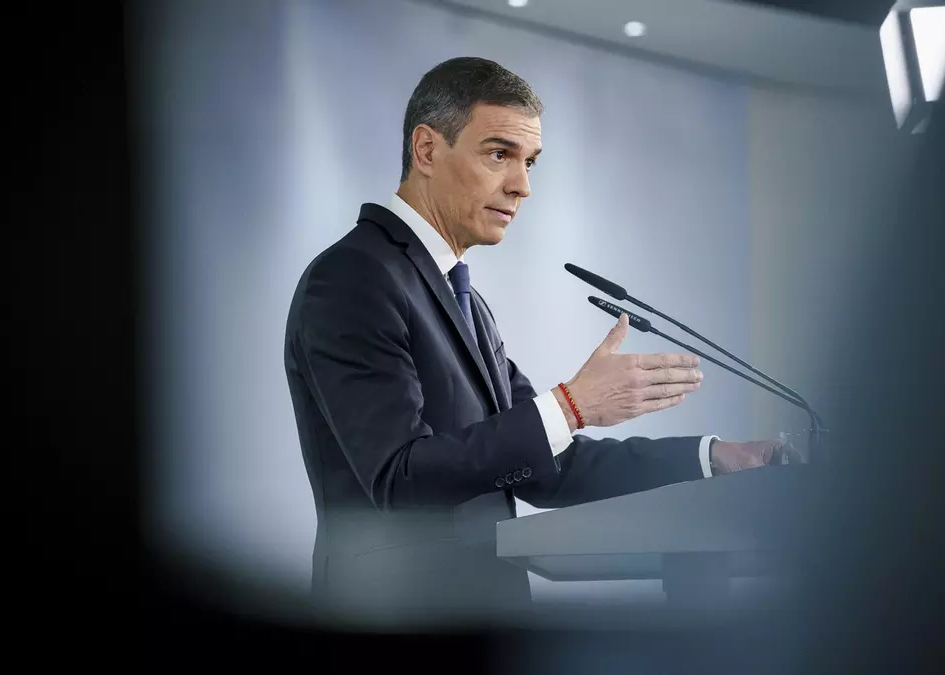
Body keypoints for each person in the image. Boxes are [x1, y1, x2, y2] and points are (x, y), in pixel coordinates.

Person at [284, 56, 789, 622]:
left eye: (529, 162)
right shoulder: (354, 276)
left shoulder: (462, 298)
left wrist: (715, 458)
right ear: (426, 150)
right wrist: (571, 406)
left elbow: (551, 467)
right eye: (499, 154)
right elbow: (398, 479)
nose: (522, 185)